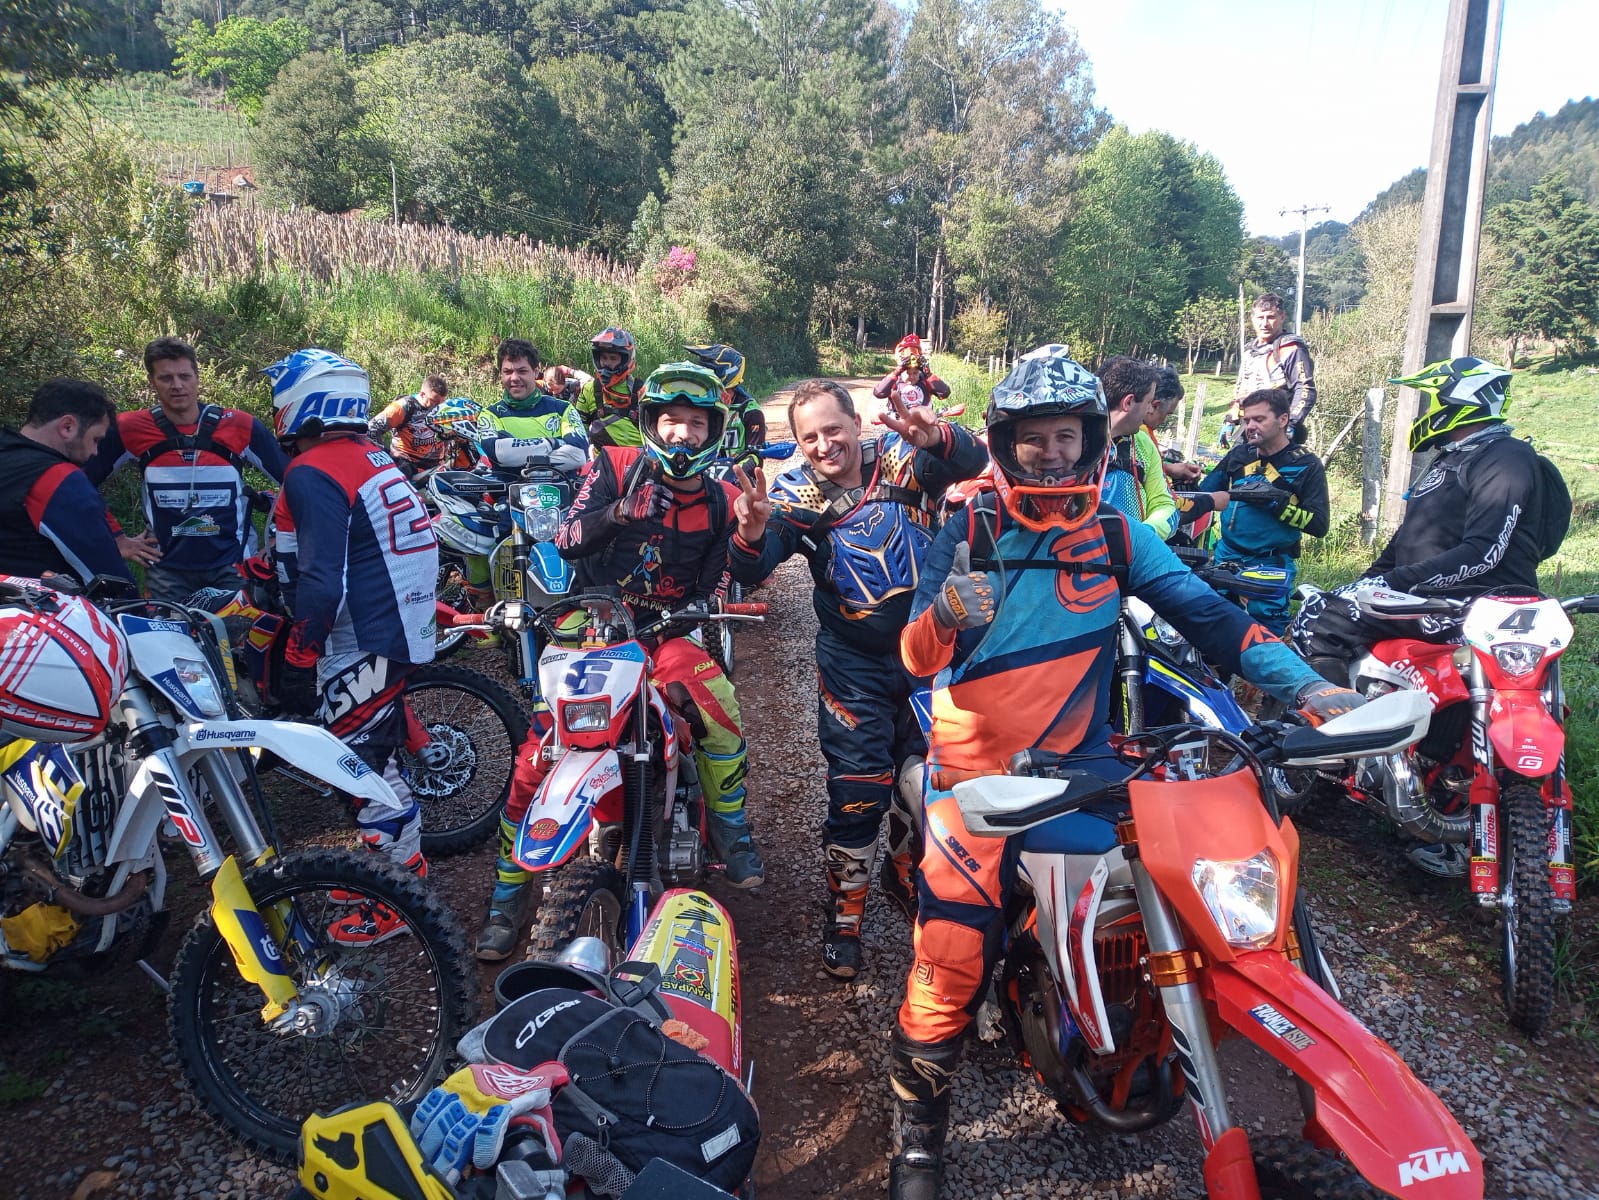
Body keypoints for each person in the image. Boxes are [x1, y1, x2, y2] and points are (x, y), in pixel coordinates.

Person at [885, 345, 1360, 1200]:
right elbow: (915, 659)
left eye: (1066, 436)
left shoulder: (1115, 530)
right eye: (1034, 439)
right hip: (974, 773)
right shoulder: (966, 527)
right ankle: (918, 1138)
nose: (1052, 453)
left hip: (1089, 759)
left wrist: (1309, 686)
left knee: (1201, 891)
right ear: (1004, 443)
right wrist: (948, 614)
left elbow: (1208, 616)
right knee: (950, 957)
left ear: (1093, 440)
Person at [472, 362, 763, 961]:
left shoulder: (723, 496)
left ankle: (730, 829)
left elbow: (721, 579)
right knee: (539, 750)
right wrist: (620, 514)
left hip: (668, 631)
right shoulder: (612, 465)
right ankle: (508, 895)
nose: (682, 433)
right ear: (650, 422)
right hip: (593, 626)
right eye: (669, 420)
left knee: (718, 703)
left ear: (712, 431)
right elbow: (568, 537)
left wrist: (746, 540)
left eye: (695, 424)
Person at [727, 379, 987, 979]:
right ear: (796, 444)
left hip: (937, 653)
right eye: (809, 436)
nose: (825, 445)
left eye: (833, 429)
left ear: (855, 423)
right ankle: (844, 917)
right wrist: (751, 530)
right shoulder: (790, 493)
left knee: (939, 790)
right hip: (854, 664)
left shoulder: (902, 456)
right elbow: (753, 569)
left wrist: (938, 434)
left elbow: (971, 459)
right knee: (859, 789)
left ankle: (914, 880)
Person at [1288, 357, 1559, 876]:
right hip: (1434, 597)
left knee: (1316, 618)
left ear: (1460, 402)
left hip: (1471, 602)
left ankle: (1328, 745)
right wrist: (1369, 579)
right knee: (1326, 600)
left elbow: (1487, 551)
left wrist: (1397, 584)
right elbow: (1403, 544)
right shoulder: (1450, 460)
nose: (1430, 409)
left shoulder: (1506, 456)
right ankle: (1363, 749)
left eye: (1436, 398)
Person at [265, 348, 439, 946]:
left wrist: (299, 656)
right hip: (392, 624)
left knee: (365, 767)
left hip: (360, 633)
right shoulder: (368, 454)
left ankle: (396, 898)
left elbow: (320, 580)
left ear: (303, 403)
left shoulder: (314, 469)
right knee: (371, 756)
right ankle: (391, 871)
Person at [83, 338, 288, 603]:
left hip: (233, 566)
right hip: (166, 572)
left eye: (184, 376)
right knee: (168, 642)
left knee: (236, 641)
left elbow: (295, 481)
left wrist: (276, 542)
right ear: (152, 381)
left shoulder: (239, 425)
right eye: (166, 378)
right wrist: (118, 538)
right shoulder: (130, 428)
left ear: (197, 377)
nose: (177, 385)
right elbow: (78, 483)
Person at [1191, 387, 1330, 633]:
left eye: (1259, 419)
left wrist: (1277, 505)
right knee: (1215, 628)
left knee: (1268, 633)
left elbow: (1319, 525)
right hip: (1226, 557)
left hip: (1271, 563)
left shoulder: (1306, 465)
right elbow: (1205, 493)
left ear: (1283, 420)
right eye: (1247, 420)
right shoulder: (1239, 455)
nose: (1250, 426)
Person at [463, 338, 588, 609]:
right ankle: (488, 608)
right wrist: (554, 443)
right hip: (508, 498)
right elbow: (500, 453)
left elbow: (579, 453)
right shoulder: (490, 414)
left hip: (559, 498)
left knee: (590, 543)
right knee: (477, 537)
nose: (514, 378)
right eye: (508, 372)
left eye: (521, 370)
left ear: (536, 371)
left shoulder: (563, 409)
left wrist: (519, 449)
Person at [0, 379, 132, 586]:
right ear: (67, 427)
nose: (95, 452)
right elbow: (111, 579)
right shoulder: (57, 479)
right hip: (36, 609)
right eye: (95, 440)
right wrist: (139, 613)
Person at [1220, 292, 1316, 448]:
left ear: (1282, 317)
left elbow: (1305, 388)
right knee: (1234, 468)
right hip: (1249, 427)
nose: (1264, 323)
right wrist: (1230, 420)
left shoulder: (1291, 349)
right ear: (1252, 319)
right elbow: (1243, 391)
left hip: (1275, 429)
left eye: (1270, 317)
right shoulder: (1249, 351)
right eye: (1260, 318)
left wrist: (1290, 424)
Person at [1098, 356, 1178, 541]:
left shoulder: (1143, 443)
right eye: (1149, 401)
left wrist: (1143, 536)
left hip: (1130, 557)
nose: (1150, 409)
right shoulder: (1075, 439)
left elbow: (1165, 504)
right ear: (1128, 402)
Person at [367, 374, 458, 478]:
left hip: (436, 467)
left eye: (441, 403)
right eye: (434, 402)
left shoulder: (443, 409)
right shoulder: (403, 407)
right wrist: (387, 453)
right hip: (408, 465)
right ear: (422, 394)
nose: (437, 407)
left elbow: (449, 434)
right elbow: (371, 429)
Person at [685, 343, 767, 456]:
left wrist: (733, 469)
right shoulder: (699, 407)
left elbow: (756, 457)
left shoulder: (750, 412)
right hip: (702, 471)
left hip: (739, 472)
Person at [582, 327, 645, 449]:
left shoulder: (642, 392)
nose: (606, 363)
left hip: (636, 461)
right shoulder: (590, 389)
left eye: (613, 358)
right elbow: (579, 430)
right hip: (600, 462)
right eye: (603, 358)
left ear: (626, 360)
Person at [1149, 366, 1203, 485]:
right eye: (1167, 414)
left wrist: (1167, 468)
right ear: (1154, 406)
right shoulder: (1141, 434)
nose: (1164, 420)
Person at [874, 335, 952, 413]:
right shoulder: (895, 381)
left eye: (915, 373)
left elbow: (944, 393)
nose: (912, 376)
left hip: (923, 422)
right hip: (899, 422)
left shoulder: (925, 380)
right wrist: (896, 372)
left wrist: (928, 374)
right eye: (908, 373)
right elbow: (879, 393)